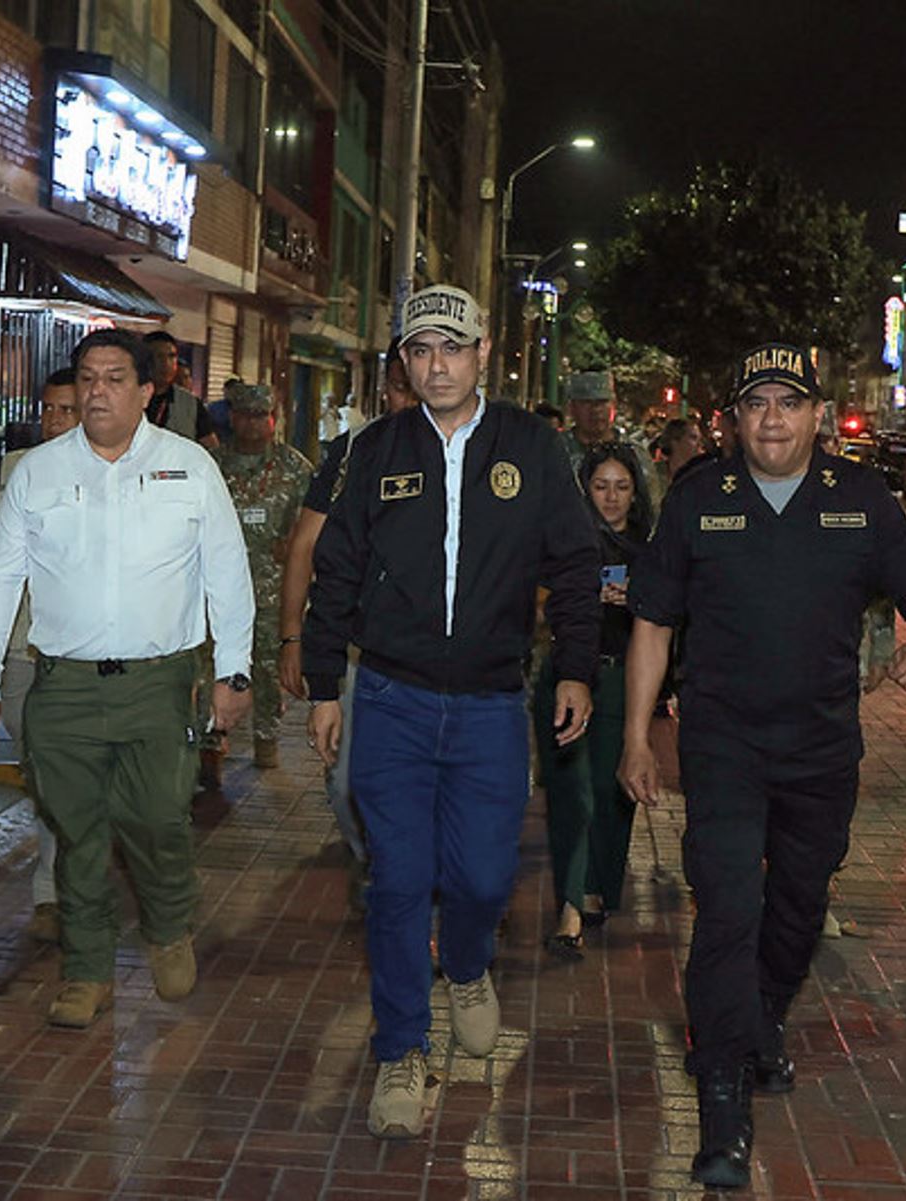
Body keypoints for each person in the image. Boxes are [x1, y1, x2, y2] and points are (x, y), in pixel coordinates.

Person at [619, 342, 906, 1189]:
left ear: (815, 415)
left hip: (821, 748)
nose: (772, 417)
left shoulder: (860, 499)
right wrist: (634, 736)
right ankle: (724, 1097)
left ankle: (761, 1018)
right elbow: (653, 623)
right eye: (756, 402)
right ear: (734, 418)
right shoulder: (699, 500)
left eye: (789, 402)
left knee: (798, 907)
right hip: (723, 743)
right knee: (728, 905)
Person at [302, 284, 599, 1140]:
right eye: (420, 349)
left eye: (453, 348)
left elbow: (577, 564)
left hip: (492, 705)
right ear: (404, 361)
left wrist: (575, 668)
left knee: (480, 879)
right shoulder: (374, 450)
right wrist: (326, 685)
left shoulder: (533, 448)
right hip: (390, 698)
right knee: (397, 881)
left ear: (483, 355)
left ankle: (466, 966)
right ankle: (403, 1050)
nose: (437, 364)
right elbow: (337, 573)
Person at [0, 329, 253, 1029]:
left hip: (160, 684)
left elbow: (228, 573)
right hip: (62, 684)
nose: (97, 391)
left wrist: (234, 672)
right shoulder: (36, 471)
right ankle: (86, 969)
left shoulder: (191, 468)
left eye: (115, 378)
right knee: (77, 833)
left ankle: (168, 920)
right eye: (88, 378)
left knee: (155, 817)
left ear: (148, 392)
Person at [277, 339, 419, 882]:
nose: (406, 400)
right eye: (398, 387)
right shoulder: (355, 452)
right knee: (347, 783)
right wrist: (294, 639)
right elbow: (305, 546)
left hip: (444, 663)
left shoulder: (474, 453)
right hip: (363, 656)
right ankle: (377, 865)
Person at [0, 369, 80, 941]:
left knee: (69, 767)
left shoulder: (115, 472)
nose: (55, 421)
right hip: (23, 647)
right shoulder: (11, 470)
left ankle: (54, 884)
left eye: (67, 411)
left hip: (87, 651)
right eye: (49, 410)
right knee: (43, 765)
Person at [535, 441, 654, 960]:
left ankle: (598, 887)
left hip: (623, 684)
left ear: (636, 493)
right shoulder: (562, 544)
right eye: (600, 486)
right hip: (566, 679)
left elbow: (673, 620)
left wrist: (640, 602)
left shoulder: (651, 551)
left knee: (611, 793)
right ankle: (569, 907)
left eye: (621, 487)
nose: (610, 498)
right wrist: (574, 599)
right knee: (573, 793)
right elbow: (533, 610)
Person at [215, 384, 312, 770]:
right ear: (233, 417)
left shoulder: (295, 468)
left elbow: (314, 523)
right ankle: (212, 743)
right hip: (219, 590)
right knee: (214, 667)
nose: (253, 424)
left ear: (274, 419)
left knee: (269, 669)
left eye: (261, 415)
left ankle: (266, 739)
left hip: (272, 589)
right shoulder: (211, 464)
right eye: (245, 415)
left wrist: (297, 542)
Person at [142, 330, 220, 451]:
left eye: (171, 356)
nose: (166, 363)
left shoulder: (190, 404)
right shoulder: (126, 398)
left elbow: (211, 446)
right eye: (158, 356)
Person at [561, 369, 619, 474]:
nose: (596, 409)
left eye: (603, 402)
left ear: (613, 405)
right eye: (586, 402)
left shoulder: (634, 453)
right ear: (572, 408)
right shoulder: (556, 449)